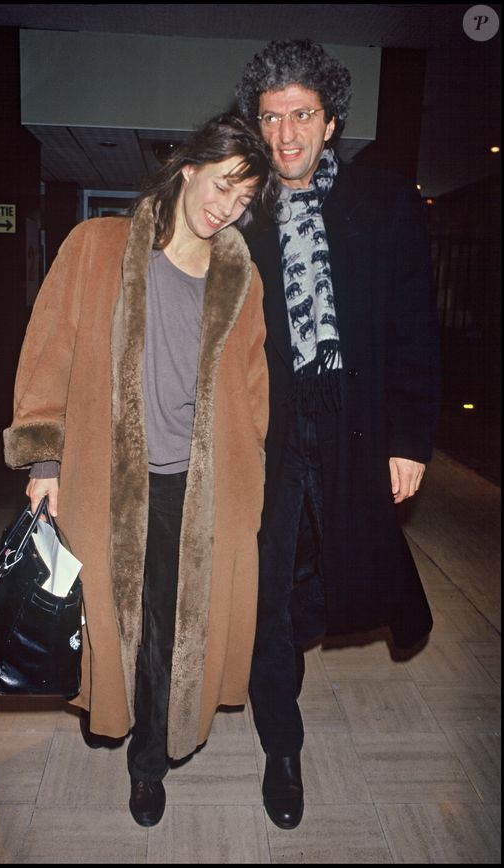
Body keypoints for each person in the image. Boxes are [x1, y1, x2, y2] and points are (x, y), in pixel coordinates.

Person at [3, 113, 277, 827]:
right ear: (188, 167)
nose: (228, 206)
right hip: (108, 478)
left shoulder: (240, 278)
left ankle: (147, 763)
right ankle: (118, 716)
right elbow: (50, 351)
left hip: (201, 489)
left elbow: (253, 390)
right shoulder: (97, 248)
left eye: (244, 197)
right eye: (222, 184)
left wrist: (251, 480)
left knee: (171, 630)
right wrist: (44, 457)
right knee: (105, 615)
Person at [235, 40, 441, 829]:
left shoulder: (384, 203)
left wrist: (411, 438)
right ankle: (281, 745)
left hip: (355, 419)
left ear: (330, 123)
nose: (285, 134)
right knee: (267, 583)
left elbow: (414, 327)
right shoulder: (241, 212)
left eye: (301, 115)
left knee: (337, 564)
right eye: (271, 117)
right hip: (271, 427)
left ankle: (298, 623)